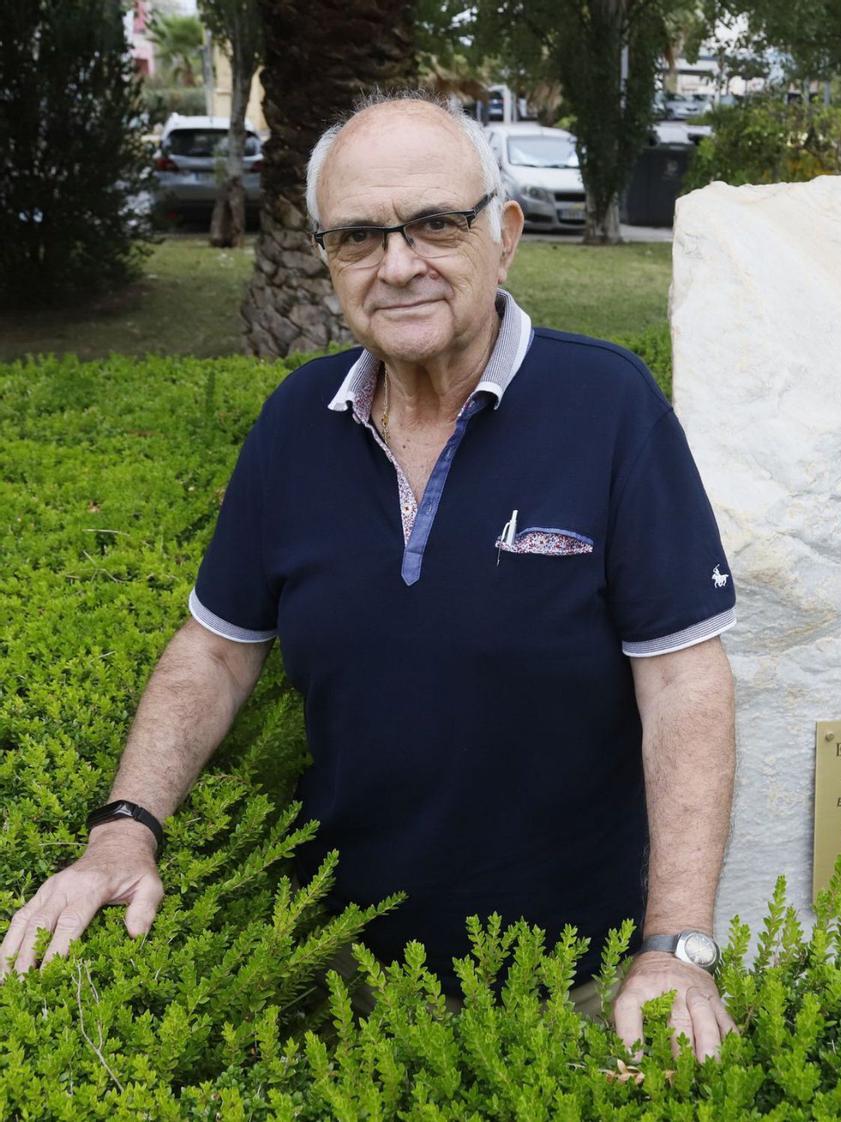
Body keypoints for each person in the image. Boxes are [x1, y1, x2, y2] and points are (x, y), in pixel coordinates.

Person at [0, 91, 738, 1059]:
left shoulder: (611, 410)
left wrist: (675, 945)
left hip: (579, 983)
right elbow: (214, 653)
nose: (399, 265)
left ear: (504, 235)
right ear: (327, 258)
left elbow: (685, 681)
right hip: (336, 979)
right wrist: (124, 830)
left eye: (435, 223)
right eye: (359, 237)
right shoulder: (295, 425)